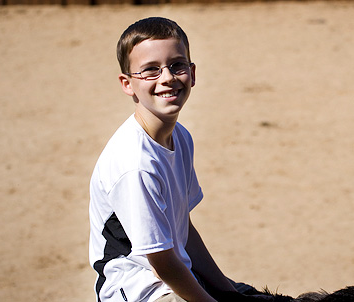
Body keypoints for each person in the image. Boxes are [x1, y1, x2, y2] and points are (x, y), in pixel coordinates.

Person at [88, 17, 266, 302]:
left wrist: (230, 293)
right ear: (127, 84)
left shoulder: (180, 137)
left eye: (177, 65)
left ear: (192, 74)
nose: (167, 78)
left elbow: (183, 231)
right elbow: (162, 262)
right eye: (150, 70)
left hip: (174, 274)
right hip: (139, 291)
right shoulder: (135, 165)